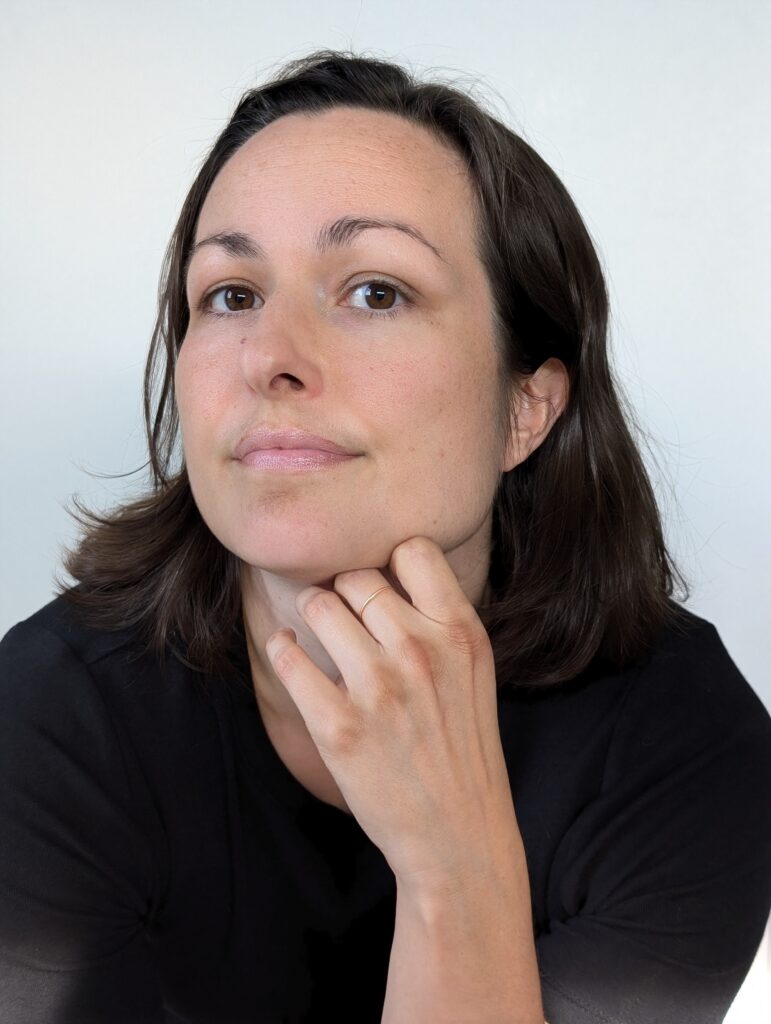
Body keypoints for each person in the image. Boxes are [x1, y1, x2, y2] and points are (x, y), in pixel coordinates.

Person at [1, 49, 769, 1024]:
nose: (272, 358)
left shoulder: (684, 749)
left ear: (526, 407)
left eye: (376, 291)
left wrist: (455, 868)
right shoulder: (47, 720)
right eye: (231, 294)